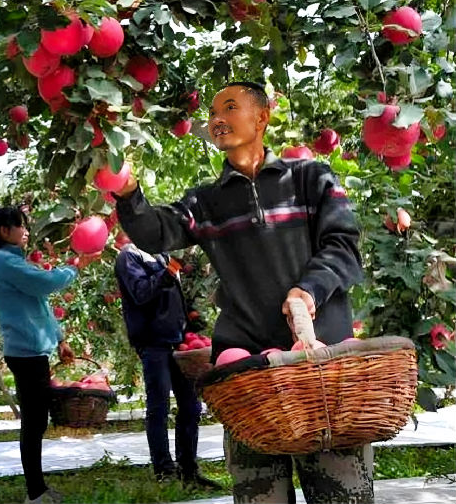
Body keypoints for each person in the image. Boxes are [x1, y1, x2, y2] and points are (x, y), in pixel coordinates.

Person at [113, 82, 370, 504]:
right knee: (259, 493)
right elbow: (156, 231)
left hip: (320, 366)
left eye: (229, 107)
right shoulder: (206, 201)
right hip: (249, 374)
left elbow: (342, 243)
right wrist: (127, 193)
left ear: (262, 117)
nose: (217, 119)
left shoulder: (310, 178)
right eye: (212, 112)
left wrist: (308, 291)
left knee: (341, 491)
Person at [0, 206, 82, 504]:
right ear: (4, 231)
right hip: (25, 353)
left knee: (37, 421)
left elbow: (39, 301)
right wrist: (76, 266)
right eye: (21, 226)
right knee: (34, 422)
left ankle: (38, 487)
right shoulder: (1, 261)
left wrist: (60, 339)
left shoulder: (12, 261)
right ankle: (35, 492)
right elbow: (45, 284)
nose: (26, 231)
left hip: (33, 351)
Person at [114, 243, 222, 490]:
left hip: (177, 342)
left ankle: (189, 469)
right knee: (158, 407)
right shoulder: (129, 256)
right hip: (153, 343)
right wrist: (168, 271)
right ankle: (164, 471)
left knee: (191, 407)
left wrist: (189, 320)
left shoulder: (160, 256)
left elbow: (172, 297)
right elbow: (140, 292)